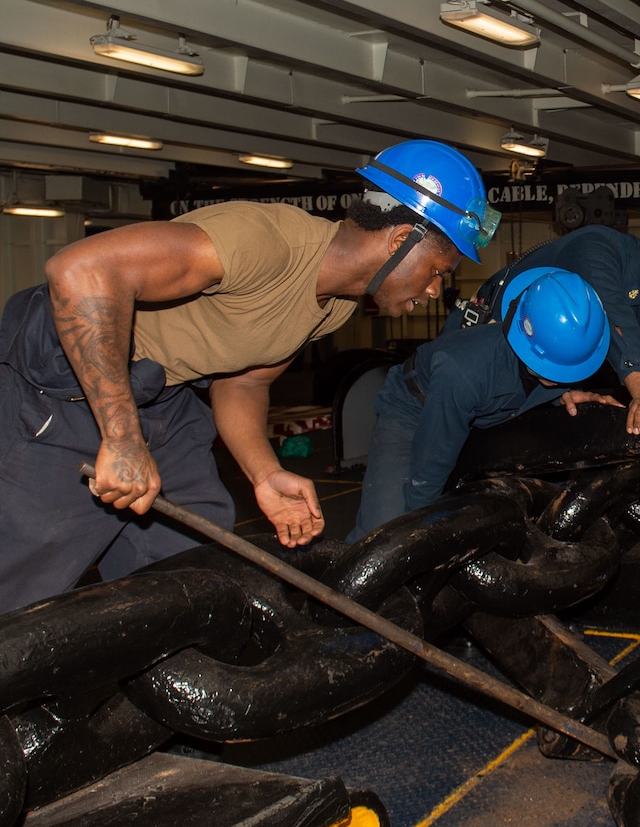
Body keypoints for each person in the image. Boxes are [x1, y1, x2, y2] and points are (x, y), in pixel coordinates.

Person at [0, 139, 496, 613]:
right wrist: (122, 435)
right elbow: (80, 270)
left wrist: (263, 472)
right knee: (25, 584)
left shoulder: (337, 307)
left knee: (189, 568)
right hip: (62, 378)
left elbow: (243, 382)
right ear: (400, 239)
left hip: (162, 395)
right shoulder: (266, 242)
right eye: (437, 270)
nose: (434, 290)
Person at [347, 268, 618, 541]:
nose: (558, 378)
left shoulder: (565, 355)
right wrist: (422, 527)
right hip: (416, 409)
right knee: (385, 533)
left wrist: (567, 396)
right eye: (553, 372)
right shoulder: (464, 370)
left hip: (491, 414)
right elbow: (432, 459)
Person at [449, 209, 640, 435]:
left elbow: (639, 385)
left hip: (540, 384)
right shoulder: (597, 248)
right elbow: (614, 317)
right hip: (482, 360)